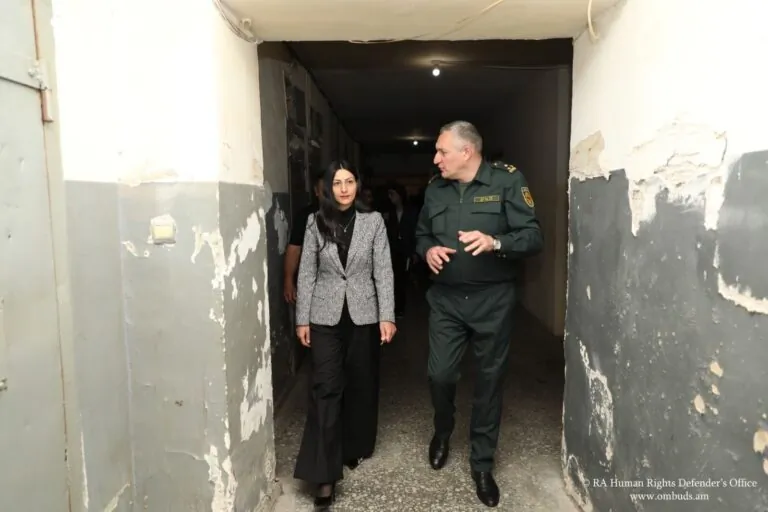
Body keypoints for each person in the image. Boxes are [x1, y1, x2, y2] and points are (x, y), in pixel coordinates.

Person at [414, 121, 542, 508]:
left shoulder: (507, 181)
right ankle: (442, 430)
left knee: (489, 382)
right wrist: (427, 251)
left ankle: (482, 464)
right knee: (440, 374)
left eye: (442, 151)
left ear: (466, 152)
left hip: (493, 300)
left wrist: (496, 241)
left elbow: (533, 236)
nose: (436, 159)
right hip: (447, 300)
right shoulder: (435, 189)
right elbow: (421, 234)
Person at [293, 160, 397, 510]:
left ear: (357, 184)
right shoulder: (314, 222)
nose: (343, 189)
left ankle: (354, 446)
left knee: (359, 382)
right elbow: (307, 272)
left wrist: (387, 316)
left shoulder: (373, 221)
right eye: (336, 182)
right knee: (325, 386)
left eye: (349, 181)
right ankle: (324, 477)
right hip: (324, 315)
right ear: (327, 187)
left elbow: (384, 271)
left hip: (363, 314)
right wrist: (302, 319)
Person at [283, 170, 324, 305]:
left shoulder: (348, 215)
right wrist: (288, 280)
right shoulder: (305, 216)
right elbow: (294, 249)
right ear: (316, 191)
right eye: (323, 190)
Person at [384, 181, 418, 317]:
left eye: (392, 194)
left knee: (402, 279)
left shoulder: (411, 211)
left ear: (400, 195)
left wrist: (414, 252)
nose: (390, 197)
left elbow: (415, 232)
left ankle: (400, 307)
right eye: (389, 195)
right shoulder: (388, 212)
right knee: (392, 280)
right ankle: (393, 307)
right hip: (391, 250)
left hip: (405, 250)